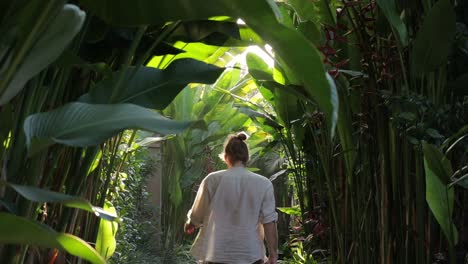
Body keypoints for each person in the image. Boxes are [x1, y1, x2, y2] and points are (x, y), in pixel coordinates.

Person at [184, 132, 278, 264]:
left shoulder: (212, 180)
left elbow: (197, 214)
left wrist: (191, 223)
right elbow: (269, 222)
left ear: (226, 157)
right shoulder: (263, 183)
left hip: (216, 254)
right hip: (250, 254)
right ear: (247, 158)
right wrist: (273, 254)